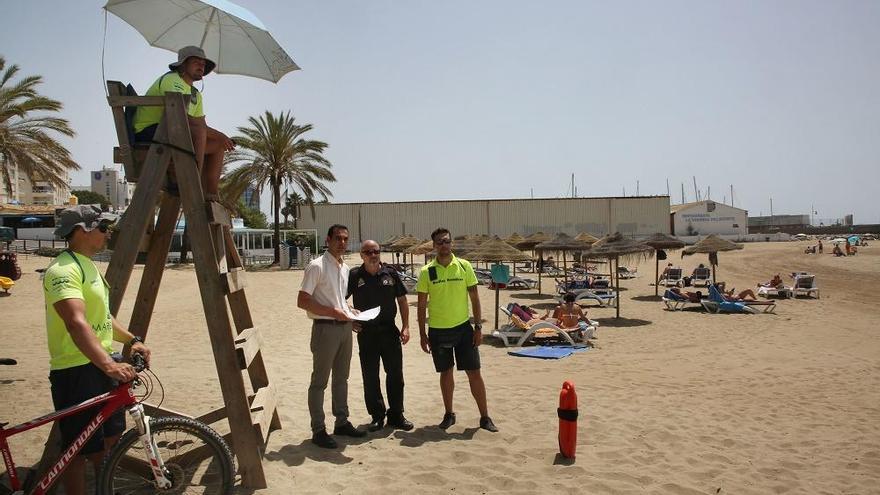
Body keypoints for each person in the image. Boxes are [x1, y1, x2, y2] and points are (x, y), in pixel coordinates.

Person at [43, 205, 151, 495]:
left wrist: (131, 340)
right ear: (80, 231)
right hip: (77, 368)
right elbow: (76, 323)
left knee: (109, 438)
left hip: (101, 363)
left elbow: (102, 318)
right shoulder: (62, 270)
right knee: (76, 450)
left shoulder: (88, 265)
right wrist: (108, 365)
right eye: (102, 228)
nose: (108, 233)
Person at [417, 228, 498, 432]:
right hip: (438, 330)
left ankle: (485, 417)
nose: (444, 245)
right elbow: (421, 305)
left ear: (451, 243)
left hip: (463, 329)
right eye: (440, 242)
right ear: (434, 245)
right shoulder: (427, 271)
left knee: (474, 373)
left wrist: (478, 327)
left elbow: (475, 298)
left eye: (446, 241)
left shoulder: (464, 266)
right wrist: (422, 334)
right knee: (446, 373)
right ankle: (449, 413)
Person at [132, 46, 235, 198]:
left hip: (174, 134)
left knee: (218, 145)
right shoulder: (171, 79)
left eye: (203, 63)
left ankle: (212, 194)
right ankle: (193, 184)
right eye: (196, 62)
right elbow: (181, 118)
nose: (201, 65)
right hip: (150, 131)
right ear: (183, 65)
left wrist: (221, 138)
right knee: (200, 132)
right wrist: (219, 134)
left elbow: (200, 124)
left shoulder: (196, 94)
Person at [297, 224, 366, 449]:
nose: (342, 243)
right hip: (325, 329)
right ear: (328, 240)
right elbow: (302, 301)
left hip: (345, 328)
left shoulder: (344, 268)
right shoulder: (316, 266)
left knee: (341, 379)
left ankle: (342, 422)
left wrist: (349, 311)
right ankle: (318, 429)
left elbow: (336, 299)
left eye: (346, 239)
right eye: (338, 238)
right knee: (319, 382)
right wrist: (333, 312)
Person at [347, 240, 414, 432]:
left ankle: (396, 415)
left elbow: (402, 301)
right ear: (361, 255)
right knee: (370, 376)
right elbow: (340, 300)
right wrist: (350, 319)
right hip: (366, 333)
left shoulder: (390, 273)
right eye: (368, 252)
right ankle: (377, 416)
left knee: (395, 374)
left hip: (389, 331)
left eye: (375, 251)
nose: (373, 255)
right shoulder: (354, 275)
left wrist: (406, 327)